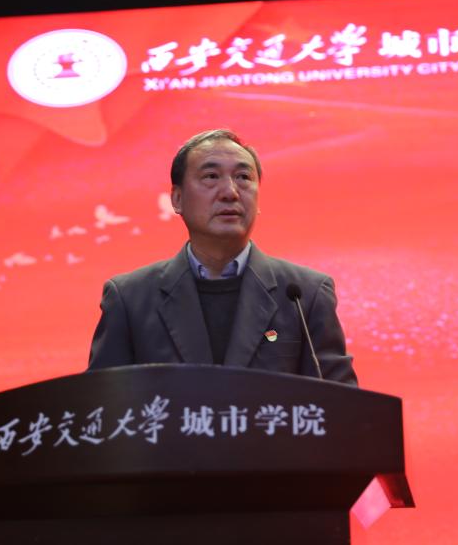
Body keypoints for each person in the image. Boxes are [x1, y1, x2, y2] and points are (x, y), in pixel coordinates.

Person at [87, 129, 357, 386]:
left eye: (243, 177)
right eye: (211, 176)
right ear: (177, 199)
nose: (230, 192)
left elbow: (341, 404)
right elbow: (102, 405)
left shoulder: (304, 295)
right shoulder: (130, 298)